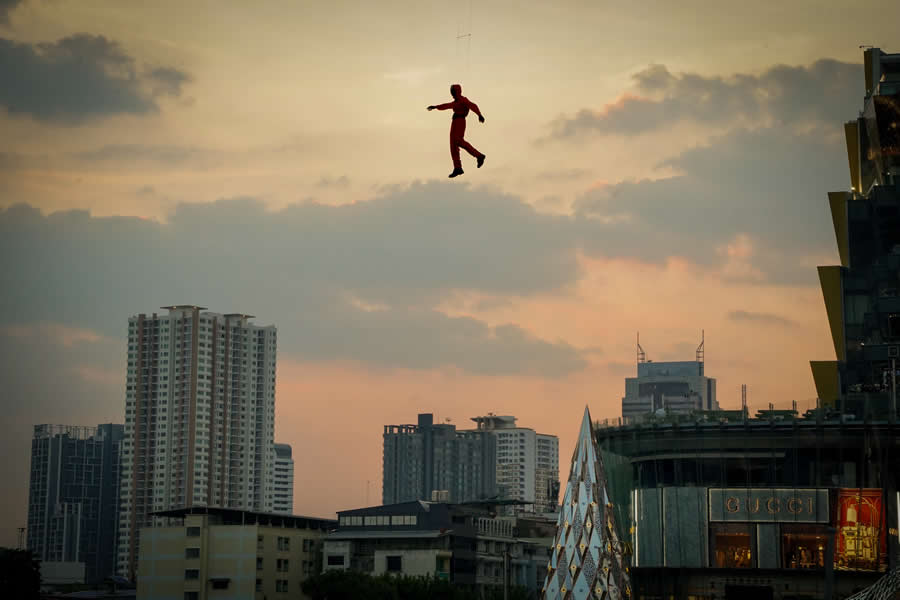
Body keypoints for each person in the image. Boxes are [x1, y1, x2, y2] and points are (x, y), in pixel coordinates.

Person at [427, 84, 486, 178]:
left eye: (453, 91)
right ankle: (457, 167)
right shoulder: (456, 101)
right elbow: (447, 105)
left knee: (458, 141)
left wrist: (479, 114)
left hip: (460, 121)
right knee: (453, 145)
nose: (452, 93)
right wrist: (435, 107)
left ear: (457, 91)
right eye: (451, 91)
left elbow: (473, 105)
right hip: (455, 122)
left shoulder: (463, 100)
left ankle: (479, 156)